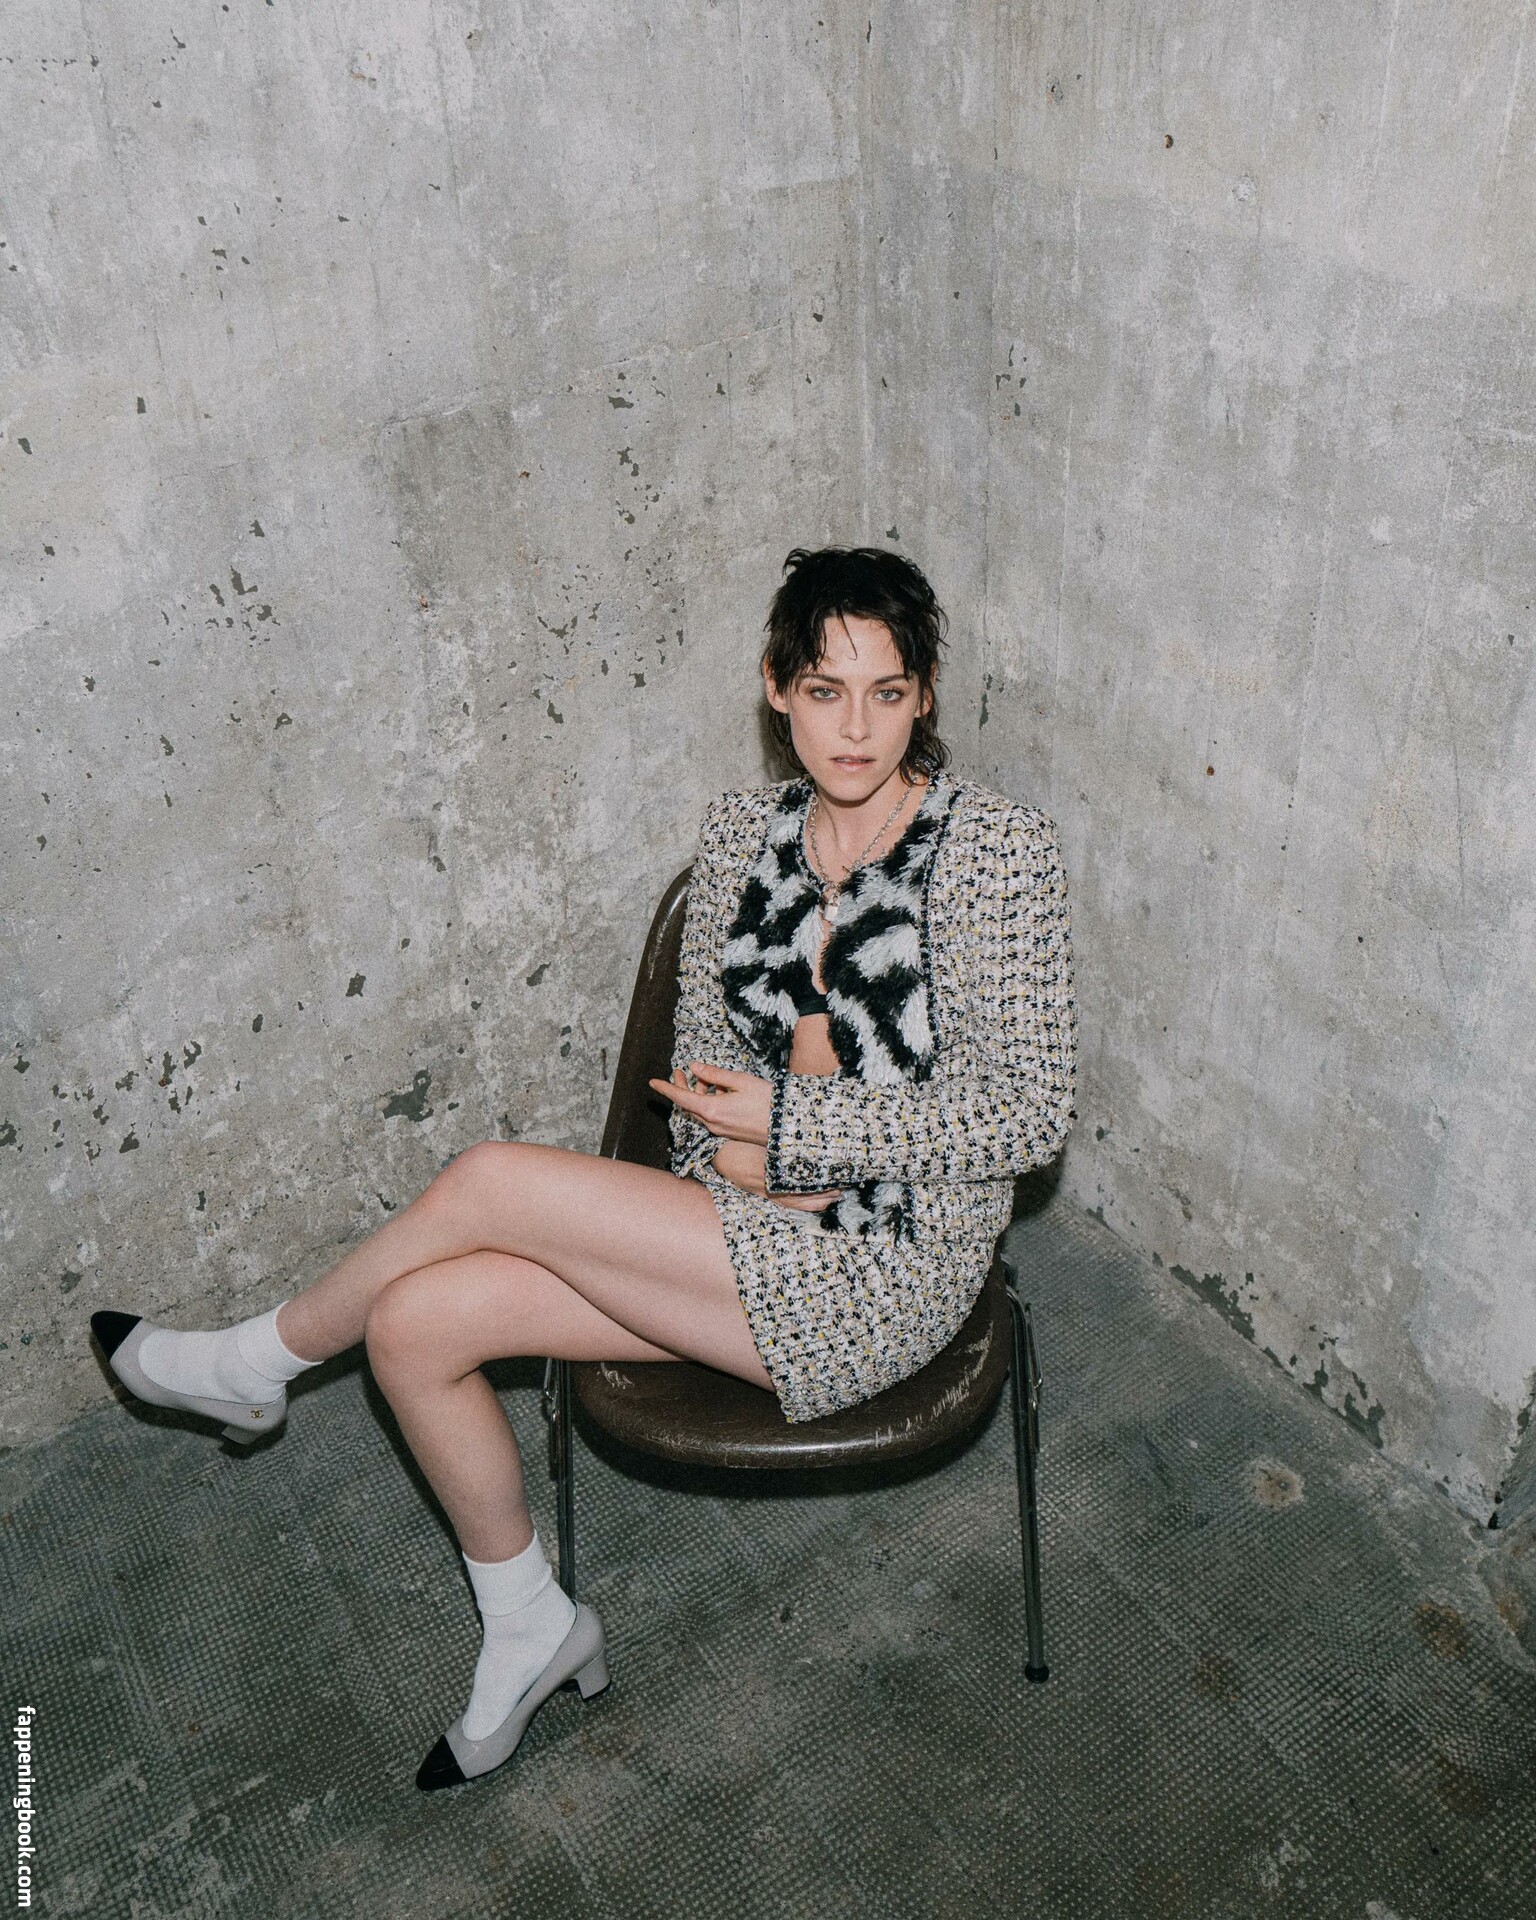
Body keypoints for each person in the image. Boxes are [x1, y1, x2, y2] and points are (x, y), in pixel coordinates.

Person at [89, 544, 1077, 1791]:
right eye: (826, 690)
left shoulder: (997, 852)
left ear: (924, 694)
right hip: (737, 1223)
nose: (856, 728)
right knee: (413, 1326)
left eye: (887, 693)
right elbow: (695, 1086)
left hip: (890, 1269)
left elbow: (1031, 1114)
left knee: (490, 1181)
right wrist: (743, 1157)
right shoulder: (741, 838)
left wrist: (802, 1129)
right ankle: (531, 1627)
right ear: (777, 686)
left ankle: (250, 1364)